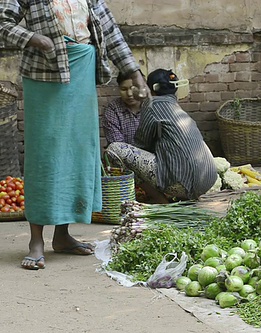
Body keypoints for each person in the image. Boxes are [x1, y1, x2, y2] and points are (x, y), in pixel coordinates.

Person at [0, 0, 150, 270]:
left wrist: (134, 73)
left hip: (82, 68)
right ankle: (36, 241)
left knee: (76, 151)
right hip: (45, 76)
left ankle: (62, 235)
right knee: (46, 153)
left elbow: (111, 31)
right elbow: (3, 23)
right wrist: (33, 38)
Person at [106, 69, 217, 203]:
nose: (130, 93)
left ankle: (161, 200)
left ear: (150, 89)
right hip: (208, 179)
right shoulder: (173, 105)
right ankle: (182, 198)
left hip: (181, 182)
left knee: (114, 150)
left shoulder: (152, 104)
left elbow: (142, 144)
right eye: (124, 89)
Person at [102, 71, 143, 146]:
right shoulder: (113, 109)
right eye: (124, 89)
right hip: (124, 157)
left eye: (133, 88)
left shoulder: (153, 106)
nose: (129, 94)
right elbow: (118, 146)